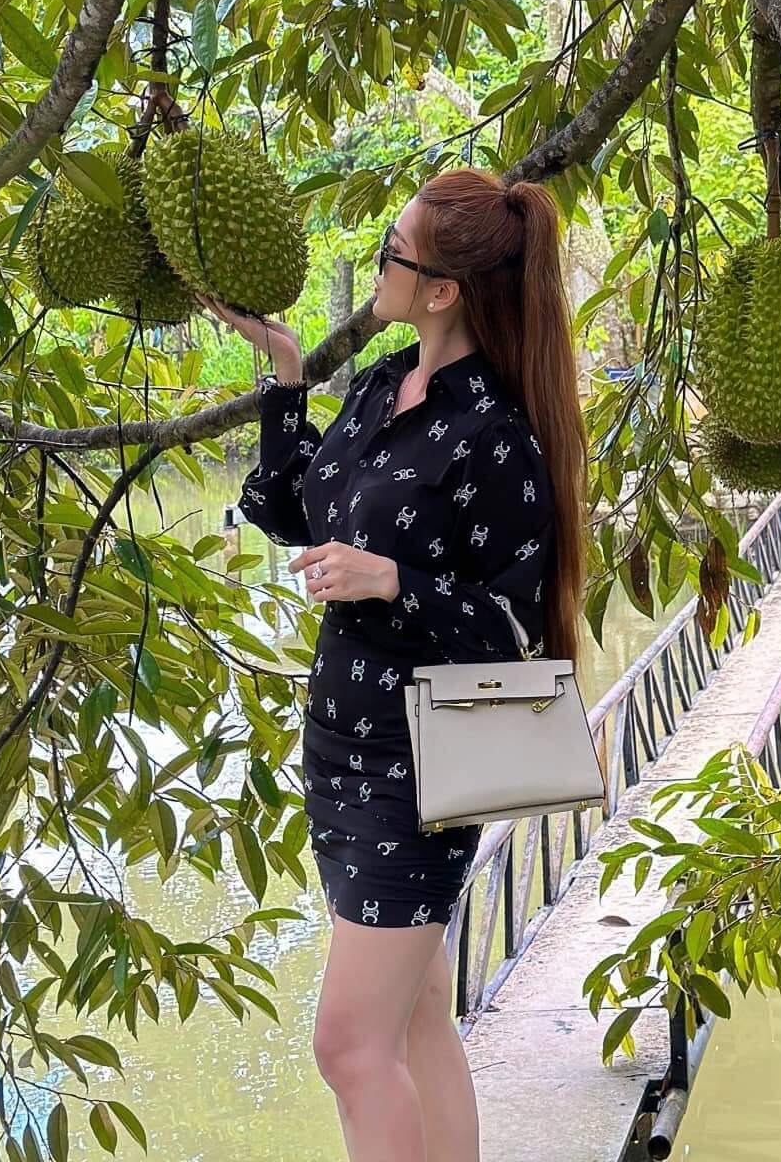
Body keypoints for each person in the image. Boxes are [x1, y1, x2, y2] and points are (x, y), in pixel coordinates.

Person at [199, 167, 588, 1162]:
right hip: (337, 748)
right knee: (416, 1020)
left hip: (419, 771)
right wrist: (285, 372)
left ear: (443, 286)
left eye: (391, 249)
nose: (378, 261)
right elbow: (293, 509)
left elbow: (510, 633)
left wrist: (389, 580)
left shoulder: (496, 436)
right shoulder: (382, 384)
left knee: (349, 1044)